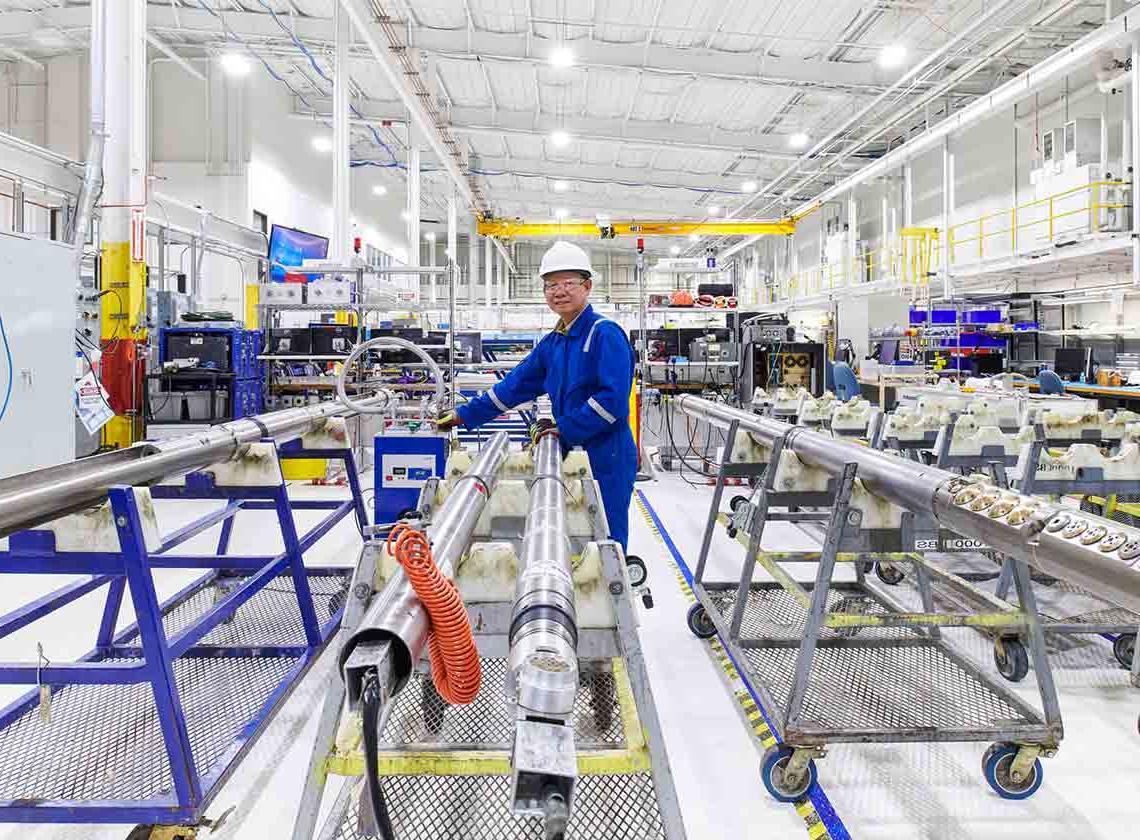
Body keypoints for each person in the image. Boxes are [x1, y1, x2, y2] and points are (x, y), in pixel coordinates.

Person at [438, 241, 638, 551]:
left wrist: (565, 428)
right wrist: (466, 415)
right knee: (574, 528)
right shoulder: (554, 343)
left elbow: (611, 401)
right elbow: (515, 385)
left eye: (568, 283)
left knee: (606, 533)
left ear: (587, 286)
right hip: (571, 449)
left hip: (606, 453)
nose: (558, 291)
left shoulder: (604, 333)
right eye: (550, 285)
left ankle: (615, 588)